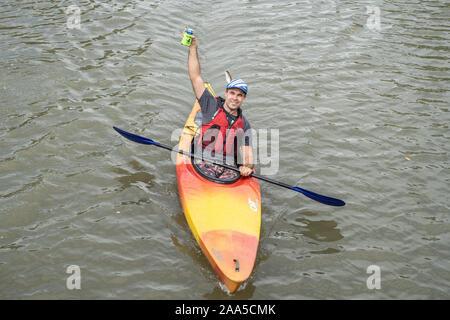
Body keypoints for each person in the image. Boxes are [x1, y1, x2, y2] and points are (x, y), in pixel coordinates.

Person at [186, 31, 254, 177]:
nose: (235, 98)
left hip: (228, 167)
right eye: (232, 93)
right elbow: (195, 77)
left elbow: (248, 155)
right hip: (202, 160)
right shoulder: (210, 105)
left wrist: (247, 167)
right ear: (226, 94)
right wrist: (193, 48)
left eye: (239, 95)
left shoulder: (244, 124)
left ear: (244, 99)